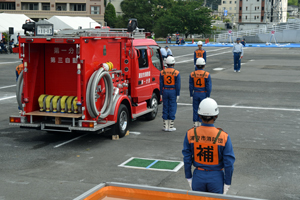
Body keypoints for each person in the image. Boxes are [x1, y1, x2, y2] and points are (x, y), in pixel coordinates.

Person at [182, 98, 235, 194]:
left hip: (198, 176)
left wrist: (189, 177)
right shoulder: (223, 136)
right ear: (216, 115)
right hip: (216, 177)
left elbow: (187, 158)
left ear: (199, 115)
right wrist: (227, 183)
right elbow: (229, 163)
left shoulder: (190, 134)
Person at [160, 56, 181, 132]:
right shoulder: (176, 73)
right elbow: (178, 85)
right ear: (173, 63)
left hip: (165, 90)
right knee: (172, 107)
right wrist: (178, 94)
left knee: (165, 107)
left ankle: (165, 125)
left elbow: (161, 83)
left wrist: (160, 93)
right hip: (173, 91)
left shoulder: (162, 72)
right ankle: (171, 126)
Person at [189, 58, 211, 127]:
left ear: (196, 65)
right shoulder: (206, 74)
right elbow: (208, 87)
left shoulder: (192, 74)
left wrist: (191, 95)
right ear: (204, 65)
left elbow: (191, 86)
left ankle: (195, 124)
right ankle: (201, 124)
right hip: (203, 93)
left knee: (195, 109)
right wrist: (208, 95)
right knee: (202, 109)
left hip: (195, 93)